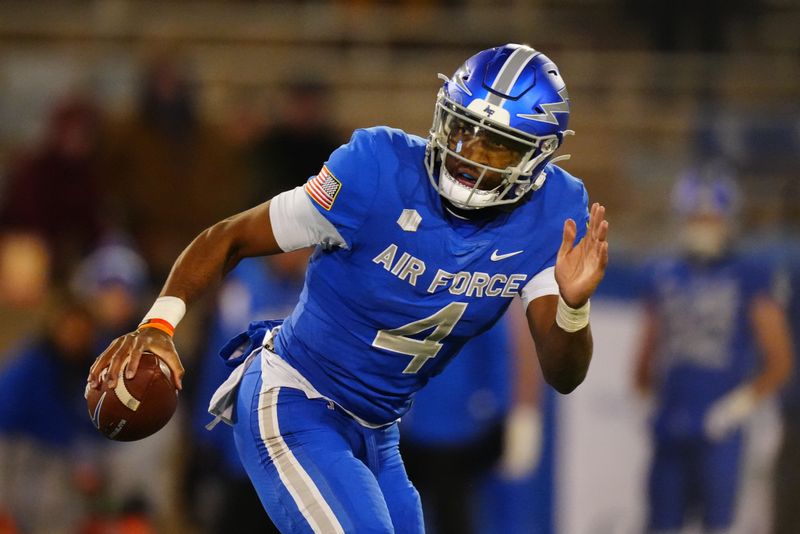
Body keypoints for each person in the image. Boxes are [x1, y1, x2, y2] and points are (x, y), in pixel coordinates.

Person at [88, 43, 609, 533]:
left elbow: (563, 375)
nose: (467, 154)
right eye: (462, 129)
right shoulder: (376, 169)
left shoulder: (553, 215)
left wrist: (572, 306)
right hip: (295, 395)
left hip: (377, 433)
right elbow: (229, 239)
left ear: (536, 159)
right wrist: (157, 324)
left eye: (495, 147)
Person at [633, 167, 793, 534]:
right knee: (660, 522)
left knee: (722, 524)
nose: (702, 225)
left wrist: (739, 407)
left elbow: (780, 359)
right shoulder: (663, 272)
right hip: (672, 418)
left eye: (710, 217)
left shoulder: (750, 274)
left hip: (723, 424)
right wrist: (644, 398)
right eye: (695, 217)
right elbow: (646, 352)